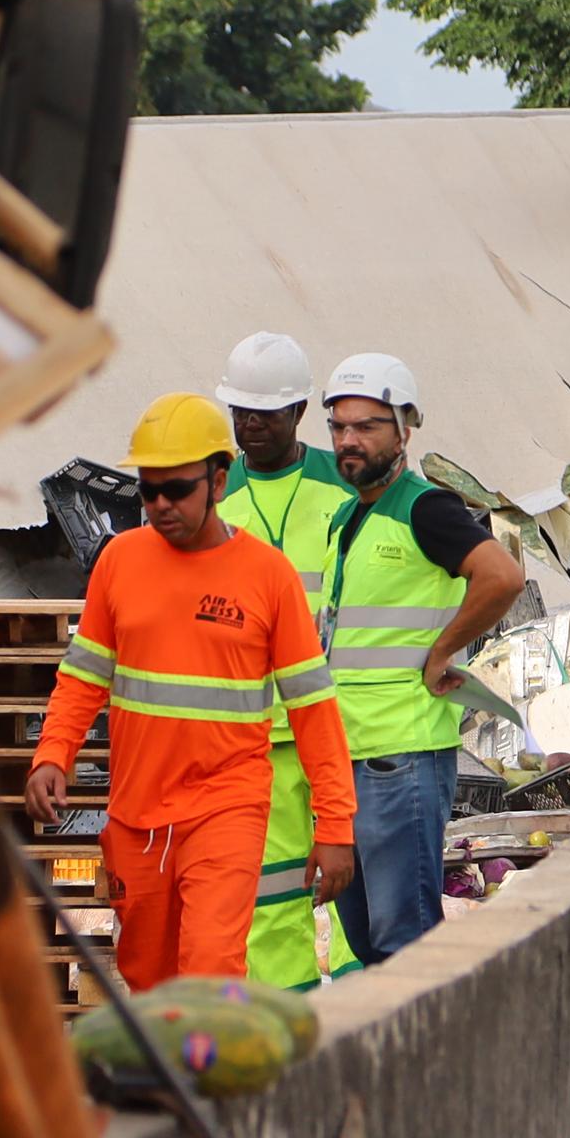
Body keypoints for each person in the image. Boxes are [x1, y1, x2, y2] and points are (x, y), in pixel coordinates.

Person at [30, 393, 354, 992]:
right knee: (149, 978)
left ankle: (212, 1082)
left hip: (226, 806)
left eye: (176, 489)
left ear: (219, 480)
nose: (159, 505)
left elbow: (313, 710)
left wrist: (335, 825)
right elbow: (82, 676)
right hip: (137, 817)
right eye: (148, 490)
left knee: (210, 969)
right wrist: (54, 755)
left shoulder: (267, 576)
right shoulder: (119, 562)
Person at [316, 352, 525, 963]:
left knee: (402, 940)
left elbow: (502, 576)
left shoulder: (424, 508)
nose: (349, 441)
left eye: (368, 426)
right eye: (339, 427)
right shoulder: (349, 516)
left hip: (399, 758)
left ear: (405, 430)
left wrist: (443, 650)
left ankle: (423, 1057)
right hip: (347, 756)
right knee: (363, 938)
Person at [214, 330, 362, 990]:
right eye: (239, 412)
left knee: (359, 897)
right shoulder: (212, 492)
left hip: (343, 726)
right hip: (256, 734)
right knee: (271, 903)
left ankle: (371, 1028)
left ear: (299, 411)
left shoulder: (348, 484)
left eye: (264, 413)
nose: (248, 426)